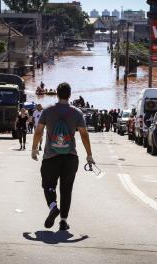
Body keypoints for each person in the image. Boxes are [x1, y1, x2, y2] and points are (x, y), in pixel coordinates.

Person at [31, 82, 94, 231]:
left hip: (50, 156)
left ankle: (53, 206)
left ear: (57, 94)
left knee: (48, 185)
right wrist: (89, 155)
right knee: (66, 189)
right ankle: (63, 221)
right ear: (70, 95)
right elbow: (84, 135)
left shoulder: (47, 111)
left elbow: (39, 131)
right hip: (70, 157)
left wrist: (34, 149)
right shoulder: (77, 112)